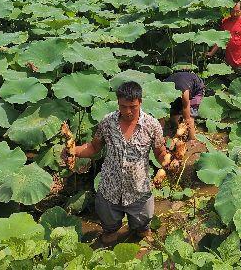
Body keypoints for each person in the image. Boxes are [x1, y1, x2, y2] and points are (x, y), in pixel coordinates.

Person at [69, 81, 176, 245]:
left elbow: (160, 153)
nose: (127, 111)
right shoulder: (107, 122)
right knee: (109, 234)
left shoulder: (152, 125)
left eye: (132, 106)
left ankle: (140, 233)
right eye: (123, 106)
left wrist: (168, 161)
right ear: (118, 103)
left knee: (143, 232)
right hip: (110, 188)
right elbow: (93, 147)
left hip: (139, 190)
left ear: (140, 101)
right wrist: (73, 151)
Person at [162, 70, 205, 141]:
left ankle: (192, 140)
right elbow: (161, 114)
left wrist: (186, 121)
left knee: (190, 116)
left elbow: (186, 107)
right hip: (179, 84)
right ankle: (175, 130)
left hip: (196, 88)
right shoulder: (163, 89)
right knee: (174, 114)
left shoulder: (184, 90)